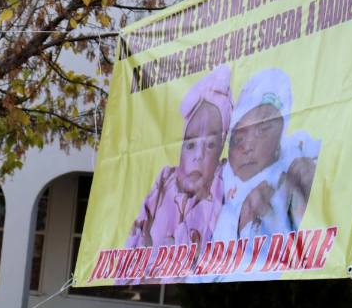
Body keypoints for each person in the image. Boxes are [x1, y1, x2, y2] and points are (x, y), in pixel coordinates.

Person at [126, 64, 232, 253]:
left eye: (210, 145)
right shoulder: (164, 182)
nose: (198, 156)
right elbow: (136, 237)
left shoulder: (221, 185)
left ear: (221, 150)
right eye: (190, 145)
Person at [212, 68, 320, 247]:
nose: (248, 146)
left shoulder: (291, 159)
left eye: (263, 131)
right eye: (239, 137)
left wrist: (309, 174)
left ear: (279, 140)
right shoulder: (221, 180)